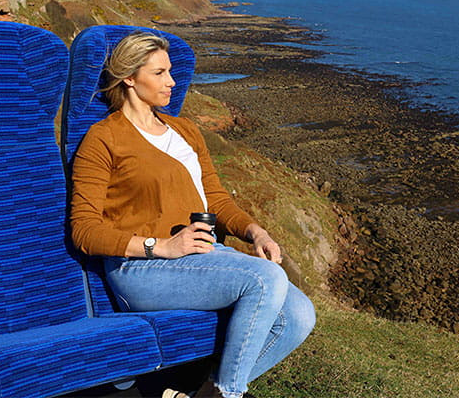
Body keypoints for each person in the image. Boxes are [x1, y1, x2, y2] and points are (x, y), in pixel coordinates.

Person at [70, 31, 315, 398]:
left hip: (203, 256)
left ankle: (206, 393)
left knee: (299, 316)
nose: (172, 81)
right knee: (265, 280)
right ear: (129, 79)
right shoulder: (103, 139)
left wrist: (255, 232)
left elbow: (214, 197)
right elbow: (84, 231)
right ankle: (230, 393)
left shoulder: (184, 130)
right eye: (160, 73)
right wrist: (161, 247)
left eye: (171, 71)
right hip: (140, 269)